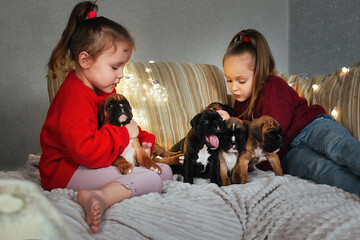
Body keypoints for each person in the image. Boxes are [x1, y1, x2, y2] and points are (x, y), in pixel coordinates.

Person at [39, 1, 172, 234]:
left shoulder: (101, 90)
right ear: (84, 60)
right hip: (66, 171)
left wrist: (142, 138)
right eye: (115, 67)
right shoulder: (74, 97)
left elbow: (119, 125)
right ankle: (99, 196)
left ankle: (113, 187)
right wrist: (124, 134)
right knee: (152, 179)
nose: (121, 74)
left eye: (123, 67)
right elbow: (88, 151)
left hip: (86, 163)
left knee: (166, 171)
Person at [221, 29, 360, 196]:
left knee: (339, 146)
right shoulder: (239, 106)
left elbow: (273, 131)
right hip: (289, 153)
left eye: (241, 80)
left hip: (311, 127)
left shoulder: (273, 86)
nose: (234, 87)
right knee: (322, 169)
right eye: (229, 79)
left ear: (259, 72)